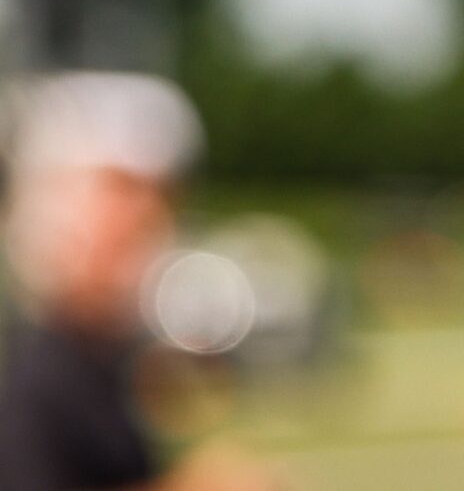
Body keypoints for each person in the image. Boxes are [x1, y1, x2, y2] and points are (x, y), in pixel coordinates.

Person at [0, 75, 277, 491]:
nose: (149, 217)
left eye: (161, 195)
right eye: (122, 192)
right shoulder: (30, 377)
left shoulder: (101, 356)